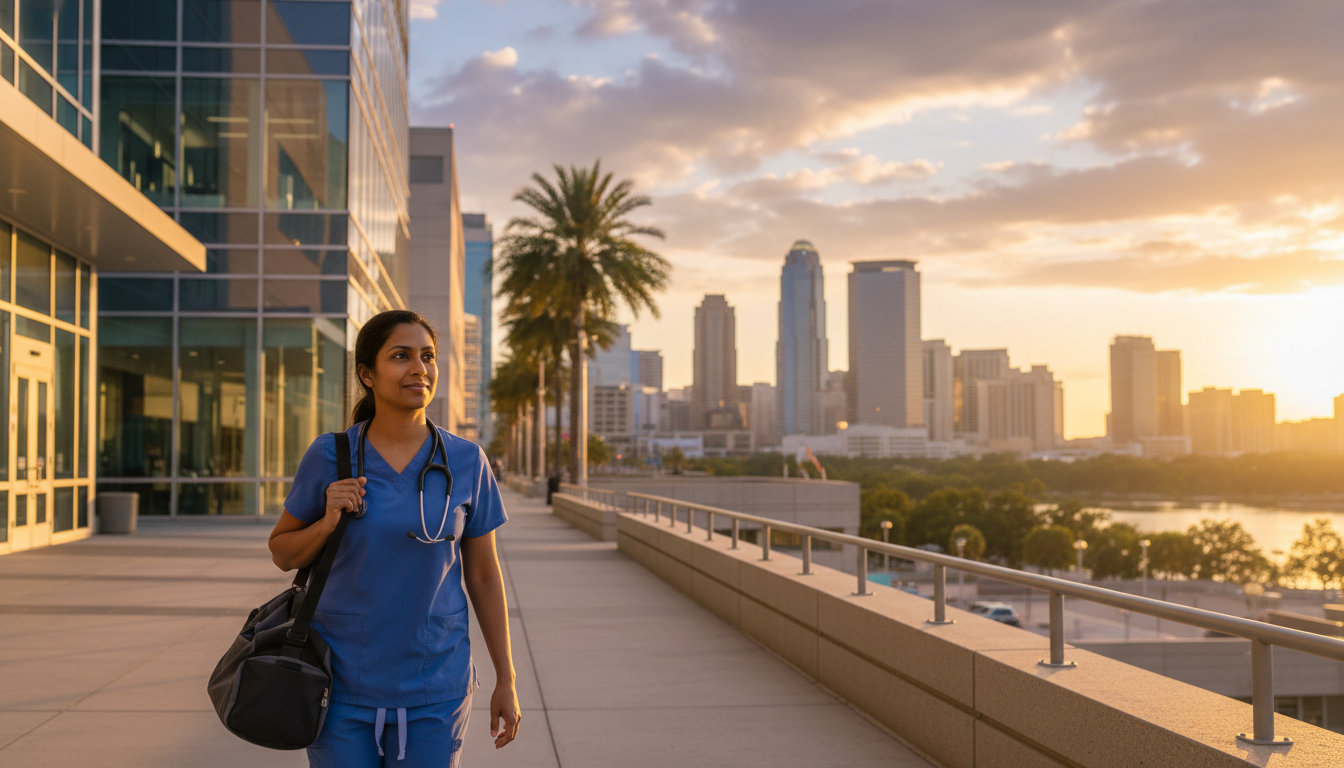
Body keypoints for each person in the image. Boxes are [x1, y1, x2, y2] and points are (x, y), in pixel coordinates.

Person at [268, 310, 520, 767]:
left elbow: (483, 575)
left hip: (436, 684)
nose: (418, 368)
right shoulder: (332, 455)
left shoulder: (466, 461)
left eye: (427, 356)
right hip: (339, 684)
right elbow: (282, 552)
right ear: (367, 373)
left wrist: (507, 678)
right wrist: (326, 521)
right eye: (400, 356)